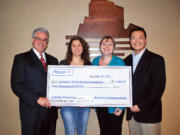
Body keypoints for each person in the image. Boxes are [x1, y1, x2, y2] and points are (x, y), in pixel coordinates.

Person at [11, 27, 58, 135]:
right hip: (31, 113)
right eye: (39, 39)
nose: (42, 42)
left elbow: (58, 84)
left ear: (47, 42)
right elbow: (16, 85)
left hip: (50, 113)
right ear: (32, 40)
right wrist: (37, 99)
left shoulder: (53, 60)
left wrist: (60, 99)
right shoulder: (21, 58)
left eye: (45, 40)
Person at [124, 27, 166, 135]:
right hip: (131, 114)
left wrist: (141, 106)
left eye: (140, 38)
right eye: (133, 38)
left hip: (149, 113)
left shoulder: (157, 60)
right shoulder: (126, 60)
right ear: (130, 41)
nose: (136, 41)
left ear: (146, 40)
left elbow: (158, 88)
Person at [92, 36, 125, 135]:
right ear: (100, 46)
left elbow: (125, 87)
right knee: (104, 131)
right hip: (100, 104)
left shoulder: (120, 62)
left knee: (115, 132)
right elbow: (91, 83)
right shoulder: (95, 61)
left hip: (115, 106)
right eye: (104, 44)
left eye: (110, 44)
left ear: (114, 47)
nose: (107, 46)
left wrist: (122, 107)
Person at [59, 36, 91, 135]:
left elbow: (91, 87)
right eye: (73, 45)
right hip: (67, 104)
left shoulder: (88, 65)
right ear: (70, 48)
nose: (76, 48)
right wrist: (57, 99)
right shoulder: (63, 64)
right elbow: (58, 85)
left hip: (84, 105)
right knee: (70, 131)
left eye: (79, 45)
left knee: (82, 132)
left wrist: (88, 99)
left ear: (83, 47)